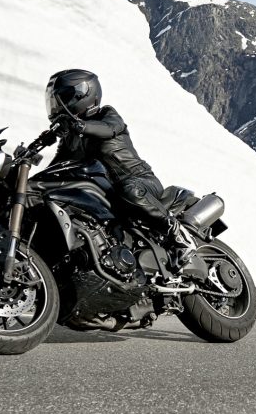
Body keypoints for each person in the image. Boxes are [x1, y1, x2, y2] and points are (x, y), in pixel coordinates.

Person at [44, 69, 196, 269]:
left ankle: (178, 234)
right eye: (55, 100)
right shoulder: (70, 139)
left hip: (140, 181)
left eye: (63, 98)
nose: (58, 105)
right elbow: (56, 166)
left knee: (129, 189)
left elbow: (109, 129)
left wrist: (80, 126)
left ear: (83, 94)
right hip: (109, 194)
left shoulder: (107, 115)